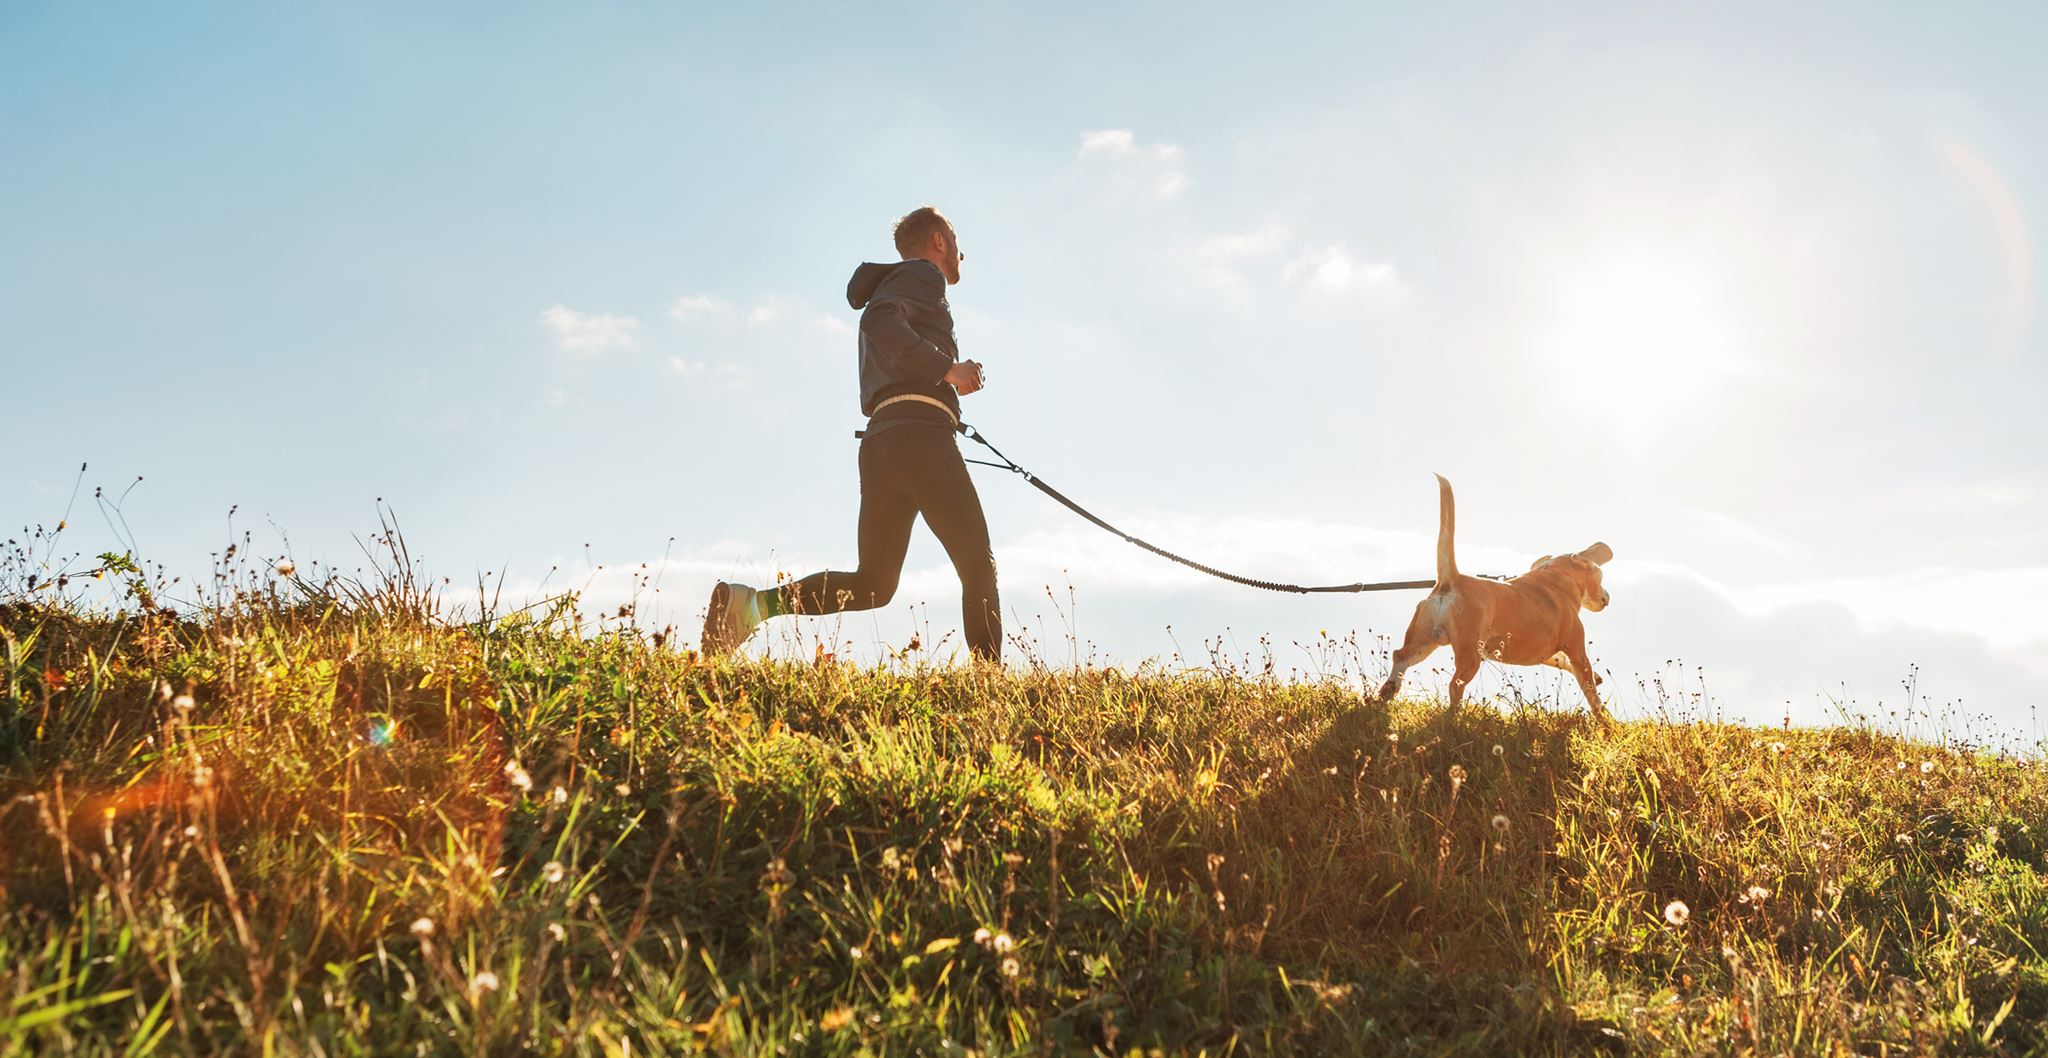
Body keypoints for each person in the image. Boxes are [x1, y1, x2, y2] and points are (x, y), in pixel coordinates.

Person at [700, 206, 1001, 662]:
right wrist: (948, 369)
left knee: (874, 584)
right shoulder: (923, 276)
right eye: (956, 239)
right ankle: (988, 686)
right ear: (939, 240)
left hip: (884, 442)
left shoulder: (898, 282)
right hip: (920, 439)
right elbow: (878, 321)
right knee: (977, 562)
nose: (962, 252)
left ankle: (752, 605)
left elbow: (883, 325)